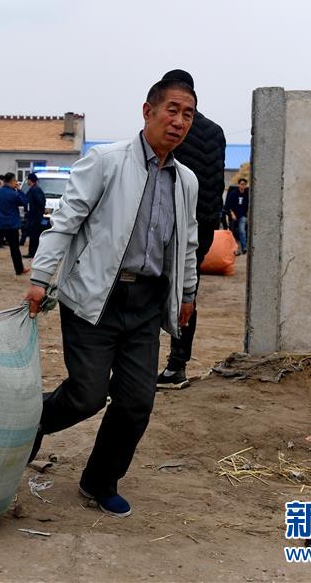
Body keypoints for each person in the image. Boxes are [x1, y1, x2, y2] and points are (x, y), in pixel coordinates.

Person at [24, 77, 199, 518]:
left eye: (188, 114)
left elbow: (188, 242)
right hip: (94, 295)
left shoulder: (186, 181)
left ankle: (100, 480)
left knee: (137, 401)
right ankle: (34, 421)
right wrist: (41, 277)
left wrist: (188, 291)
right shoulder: (106, 161)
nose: (179, 122)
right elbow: (66, 220)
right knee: (87, 395)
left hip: (146, 304)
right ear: (147, 111)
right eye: (172, 110)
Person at [155, 69, 226, 390]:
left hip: (176, 220)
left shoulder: (172, 127)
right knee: (188, 290)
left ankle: (151, 362)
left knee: (154, 287)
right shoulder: (216, 131)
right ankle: (177, 365)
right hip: (206, 222)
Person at [0, 173, 29, 277]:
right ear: (12, 181)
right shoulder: (13, 194)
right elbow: (24, 201)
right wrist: (19, 190)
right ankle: (19, 269)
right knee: (14, 248)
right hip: (11, 225)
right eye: (15, 181)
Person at [23, 173, 46, 259]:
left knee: (34, 235)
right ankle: (32, 252)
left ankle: (33, 252)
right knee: (33, 235)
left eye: (28, 180)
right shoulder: (34, 189)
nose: (27, 182)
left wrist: (39, 212)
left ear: (30, 180)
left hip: (35, 217)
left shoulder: (35, 189)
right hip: (33, 216)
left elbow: (40, 202)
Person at [225, 177, 248, 254]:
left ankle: (244, 248)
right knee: (232, 232)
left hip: (242, 215)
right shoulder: (233, 193)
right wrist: (232, 214)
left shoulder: (247, 194)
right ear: (239, 185)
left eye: (244, 184)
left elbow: (249, 206)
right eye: (241, 184)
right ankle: (234, 249)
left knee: (242, 231)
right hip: (233, 215)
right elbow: (229, 205)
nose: (243, 186)